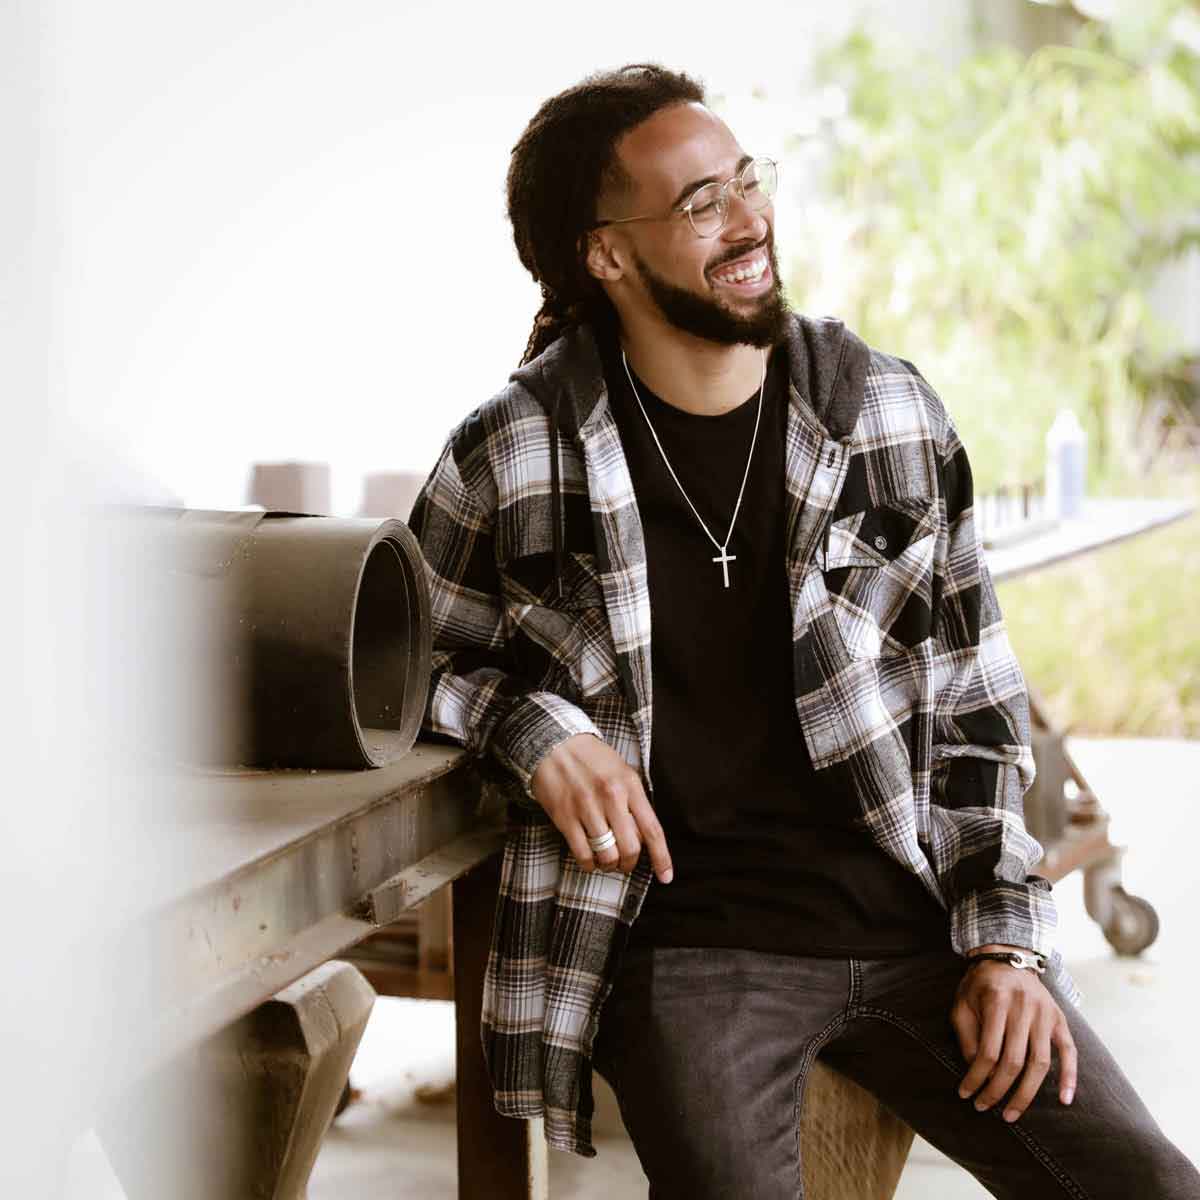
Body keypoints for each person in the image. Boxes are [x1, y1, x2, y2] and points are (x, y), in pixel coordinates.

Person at [407, 64, 1200, 1198]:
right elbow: (401, 662)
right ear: (607, 255)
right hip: (694, 949)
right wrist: (536, 730)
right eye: (699, 203)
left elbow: (977, 711)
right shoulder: (517, 451)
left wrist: (1007, 945)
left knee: (1153, 1187)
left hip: (916, 924)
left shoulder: (885, 414)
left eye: (746, 182)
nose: (750, 220)